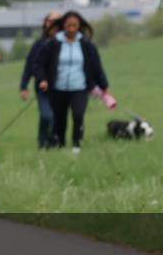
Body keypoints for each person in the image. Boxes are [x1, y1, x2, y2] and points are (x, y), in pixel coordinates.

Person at [36, 10, 110, 154]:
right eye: (68, 26)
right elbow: (39, 64)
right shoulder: (53, 44)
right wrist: (42, 79)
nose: (71, 29)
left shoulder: (86, 45)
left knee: (78, 115)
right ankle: (60, 144)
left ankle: (77, 144)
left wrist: (104, 87)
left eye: (74, 26)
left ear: (79, 26)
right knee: (60, 119)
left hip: (80, 87)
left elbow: (96, 66)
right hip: (58, 88)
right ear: (63, 26)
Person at [19, 10, 62, 149]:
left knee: (57, 117)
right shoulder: (39, 44)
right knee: (46, 116)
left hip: (62, 87)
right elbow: (29, 66)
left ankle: (52, 143)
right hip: (43, 88)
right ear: (45, 24)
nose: (53, 24)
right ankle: (42, 142)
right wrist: (24, 87)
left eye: (56, 22)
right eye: (50, 21)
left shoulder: (66, 43)